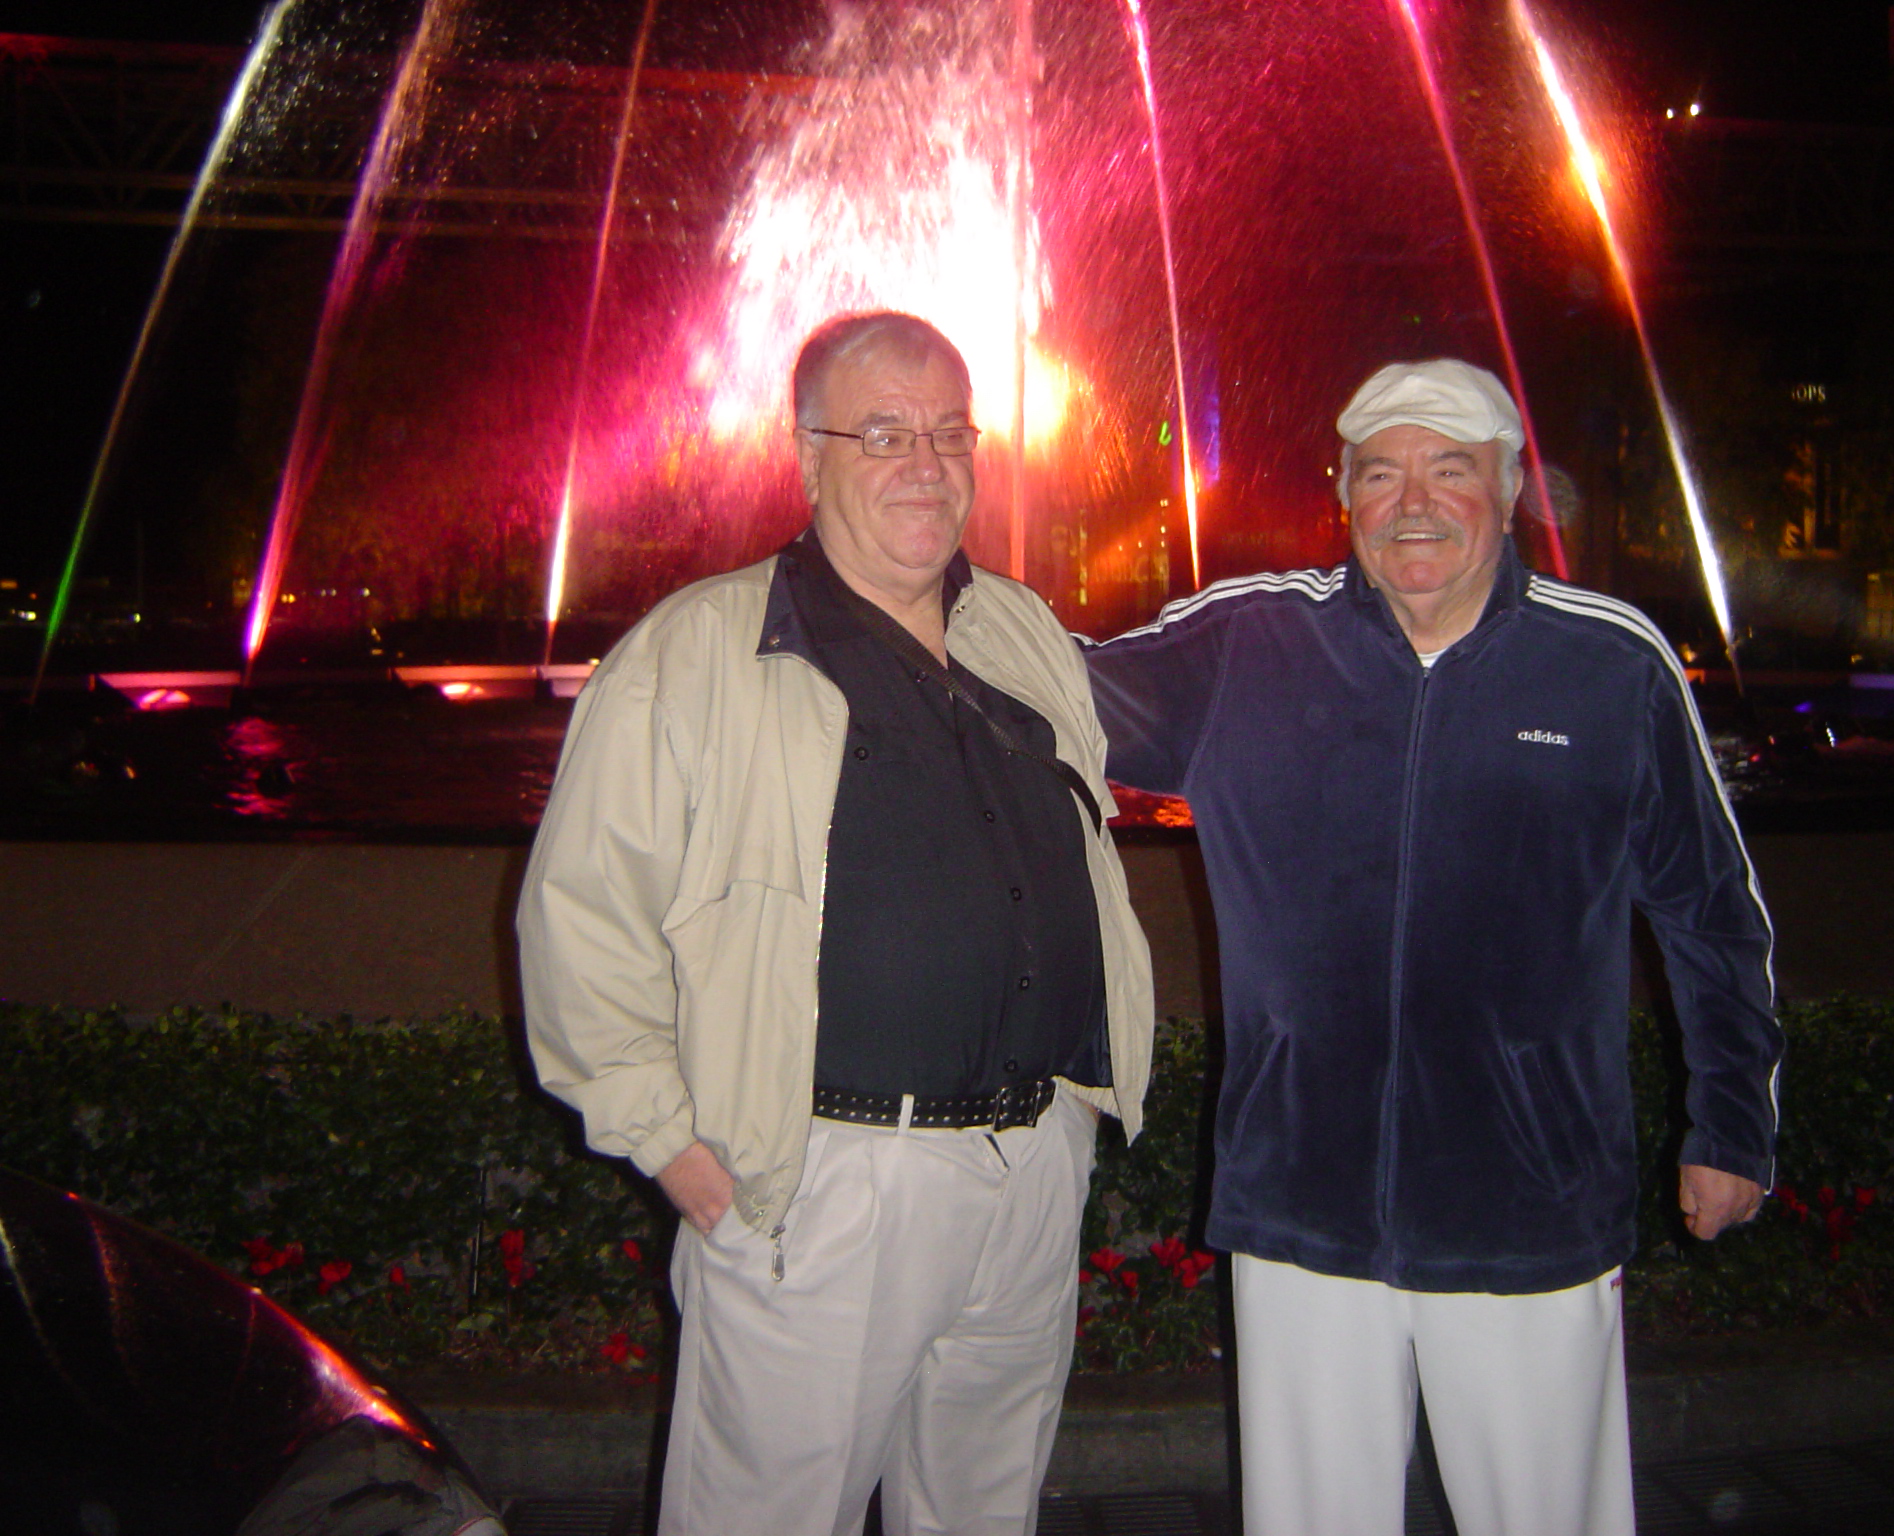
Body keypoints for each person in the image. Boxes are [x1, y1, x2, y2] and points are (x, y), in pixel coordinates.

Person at [1083, 358, 1780, 1536]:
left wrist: (1732, 1127)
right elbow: (1036, 686)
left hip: (1527, 1206)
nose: (1411, 502)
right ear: (1341, 494)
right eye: (1379, 473)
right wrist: (897, 576)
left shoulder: (1608, 665)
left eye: (1448, 470)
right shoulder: (1247, 643)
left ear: (1506, 491)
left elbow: (1711, 912)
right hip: (1299, 1208)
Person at [518, 311, 1153, 1536]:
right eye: (883, 434)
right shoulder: (695, 651)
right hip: (824, 1182)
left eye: (949, 433)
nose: (925, 463)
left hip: (1030, 1166)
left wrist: (1074, 1115)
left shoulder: (1020, 628)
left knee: (983, 1512)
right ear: (808, 457)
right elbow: (580, 918)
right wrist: (669, 1143)